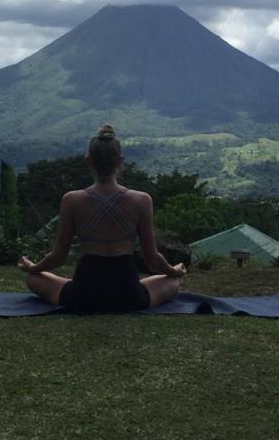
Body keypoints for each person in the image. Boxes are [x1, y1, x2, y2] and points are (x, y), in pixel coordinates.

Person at [17, 124, 187, 313]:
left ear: (89, 160)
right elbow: (152, 258)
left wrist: (33, 268)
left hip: (82, 294)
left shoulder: (72, 200)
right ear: (120, 161)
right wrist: (175, 271)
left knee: (33, 279)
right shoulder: (141, 200)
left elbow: (58, 257)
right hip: (128, 294)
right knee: (171, 281)